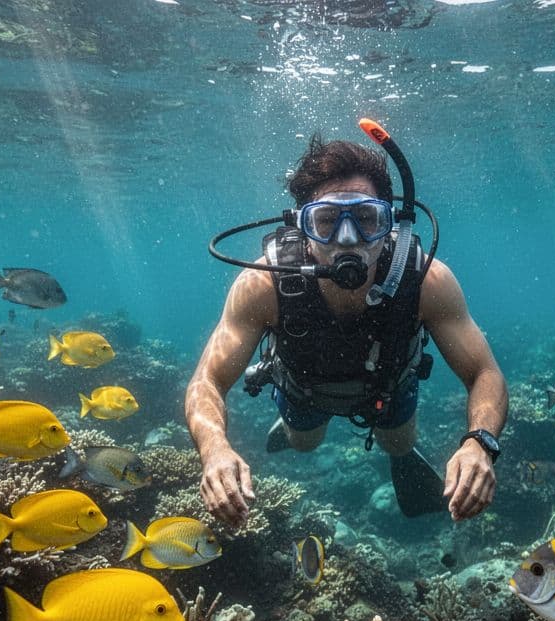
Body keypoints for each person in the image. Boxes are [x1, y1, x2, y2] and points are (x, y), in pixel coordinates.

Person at [186, 134, 507, 526]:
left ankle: (400, 456)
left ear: (391, 223)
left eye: (366, 219)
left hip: (387, 388)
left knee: (399, 442)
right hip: (303, 391)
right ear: (303, 227)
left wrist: (480, 443)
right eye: (326, 221)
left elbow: (485, 372)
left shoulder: (424, 280)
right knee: (304, 443)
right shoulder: (263, 286)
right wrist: (214, 448)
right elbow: (207, 379)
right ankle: (291, 426)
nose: (348, 240)